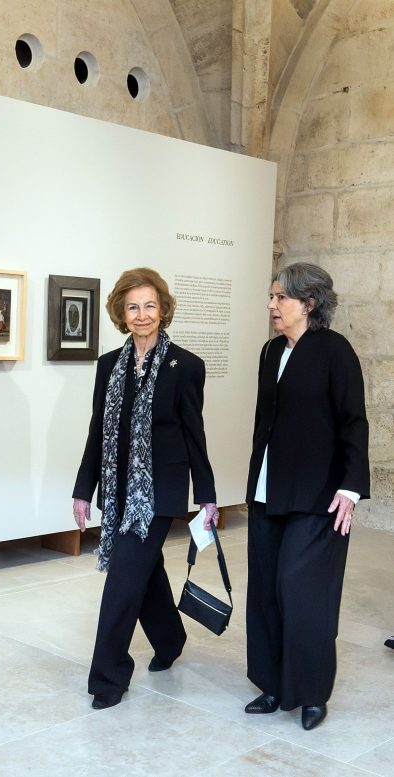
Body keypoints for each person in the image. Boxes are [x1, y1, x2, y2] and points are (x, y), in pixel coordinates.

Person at [72, 267, 217, 710]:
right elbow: (98, 431)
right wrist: (83, 490)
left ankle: (108, 677)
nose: (142, 315)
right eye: (133, 307)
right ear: (121, 313)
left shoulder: (186, 366)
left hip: (159, 492)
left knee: (123, 580)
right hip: (119, 491)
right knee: (144, 570)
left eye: (150, 305)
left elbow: (195, 435)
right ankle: (170, 639)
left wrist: (207, 496)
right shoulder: (108, 365)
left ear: (163, 309)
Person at [243, 262, 369, 732]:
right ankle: (273, 684)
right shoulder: (270, 351)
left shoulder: (336, 352)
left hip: (320, 496)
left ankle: (311, 692)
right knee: (265, 590)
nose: (272, 305)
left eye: (281, 297)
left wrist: (351, 488)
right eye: (272, 296)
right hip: (268, 490)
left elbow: (354, 422)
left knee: (303, 593)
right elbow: (265, 423)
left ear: (309, 303)